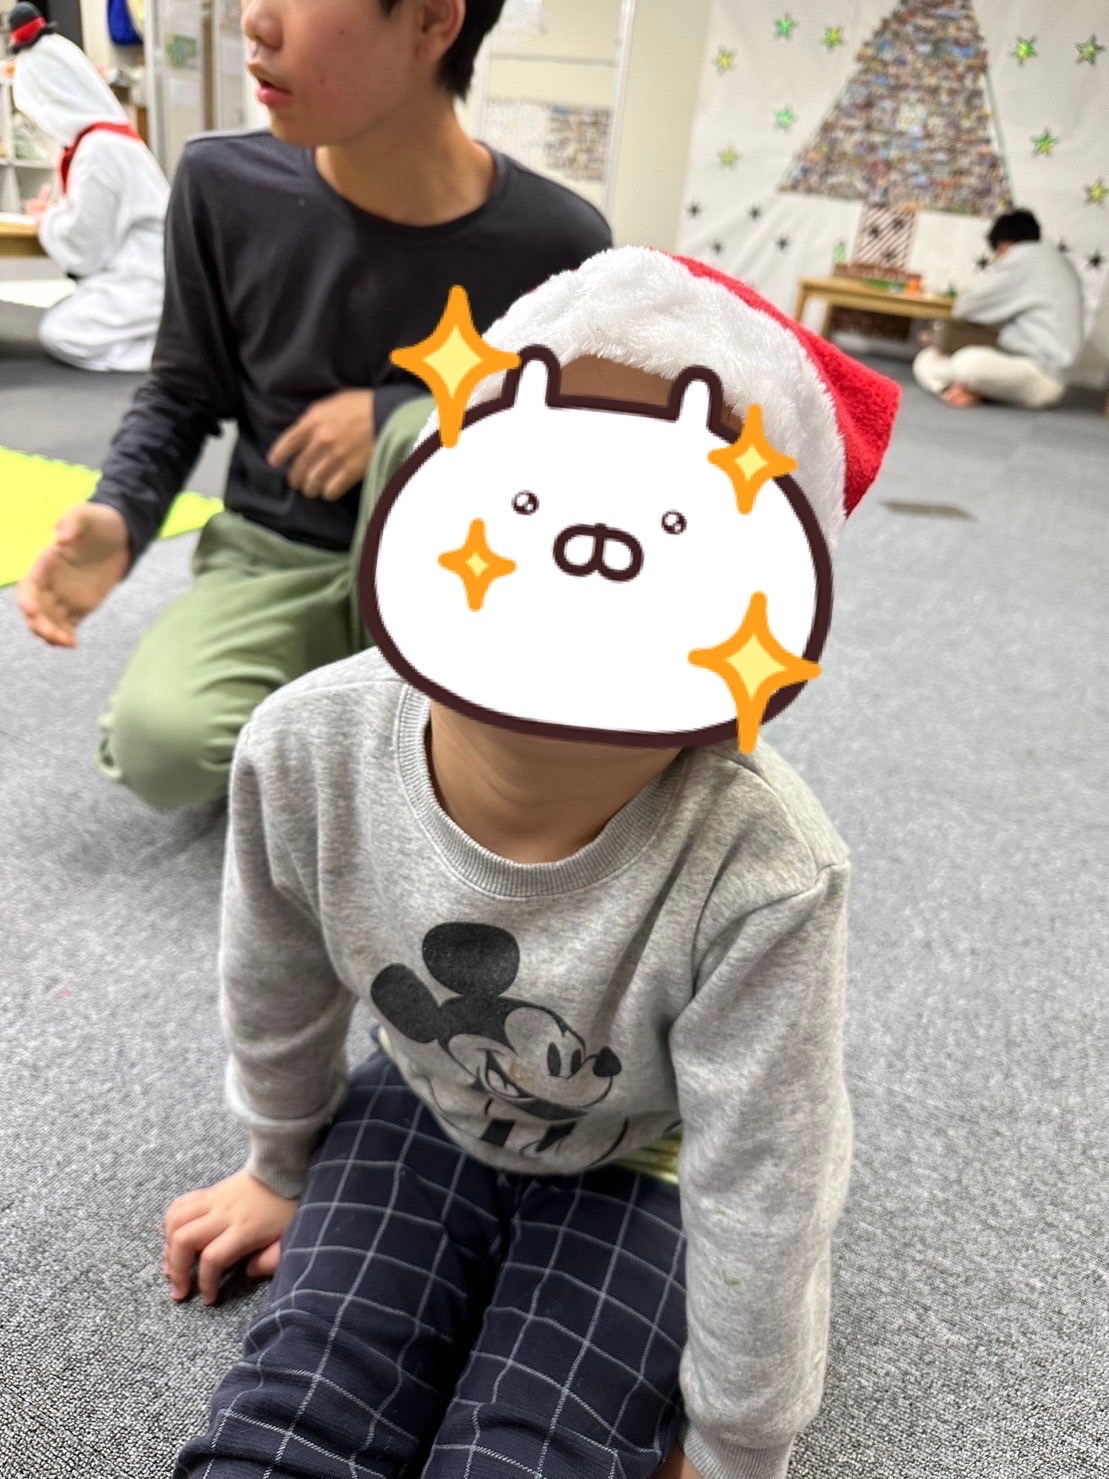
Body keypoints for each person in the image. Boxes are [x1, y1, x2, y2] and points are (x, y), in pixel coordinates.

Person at [163, 248, 902, 1479]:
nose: (587, 550)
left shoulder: (763, 869)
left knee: (535, 1448)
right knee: (300, 1398)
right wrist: (277, 1162)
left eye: (670, 521)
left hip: (646, 1158)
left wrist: (738, 1441)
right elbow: (275, 975)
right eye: (534, 486)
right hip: (420, 1102)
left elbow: (766, 1175)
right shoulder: (307, 748)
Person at [15, 0, 611, 811]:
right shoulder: (222, 184)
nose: (255, 23)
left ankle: (406, 711)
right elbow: (184, 389)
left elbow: (564, 459)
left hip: (461, 575)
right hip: (276, 554)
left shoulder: (560, 242)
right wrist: (120, 512)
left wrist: (396, 416)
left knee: (421, 434)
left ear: (432, 22)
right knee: (160, 748)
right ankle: (377, 717)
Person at [9, 3, 170, 372]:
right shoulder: (106, 141)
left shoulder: (100, 150)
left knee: (62, 331)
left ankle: (172, 355)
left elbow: (85, 249)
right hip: (146, 273)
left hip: (145, 279)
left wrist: (48, 220)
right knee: (66, 314)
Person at [912, 208, 1085, 410]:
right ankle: (963, 390)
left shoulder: (1023, 257)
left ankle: (950, 388)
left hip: (1039, 375)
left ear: (1003, 246)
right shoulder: (1057, 260)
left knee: (956, 361)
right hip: (1047, 376)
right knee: (945, 360)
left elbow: (966, 308)